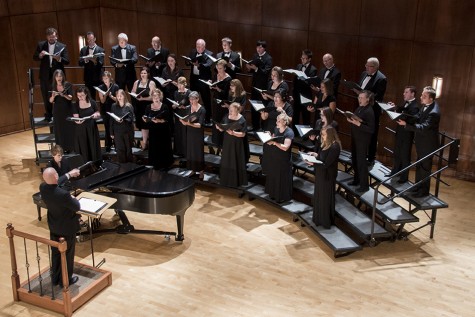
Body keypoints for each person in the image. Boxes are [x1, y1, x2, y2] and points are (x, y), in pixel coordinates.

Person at [39, 167, 80, 287]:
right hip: (67, 228)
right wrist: (73, 198)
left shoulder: (43, 187)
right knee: (68, 254)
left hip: (54, 226)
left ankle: (55, 278)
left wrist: (69, 174)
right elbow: (77, 207)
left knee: (56, 253)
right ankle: (65, 280)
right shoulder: (64, 195)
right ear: (56, 176)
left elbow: (54, 182)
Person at [397, 86, 440, 197]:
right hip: (422, 143)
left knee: (425, 168)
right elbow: (417, 117)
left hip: (428, 144)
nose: (421, 97)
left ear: (431, 99)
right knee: (419, 165)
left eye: (424, 96)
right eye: (422, 95)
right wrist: (405, 117)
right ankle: (417, 187)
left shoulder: (434, 112)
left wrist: (407, 125)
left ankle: (423, 191)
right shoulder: (425, 106)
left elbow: (423, 127)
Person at [305, 126, 341, 228]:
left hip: (327, 176)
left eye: (324, 134)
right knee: (319, 196)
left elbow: (326, 164)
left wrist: (312, 163)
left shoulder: (335, 147)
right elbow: (321, 157)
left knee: (325, 198)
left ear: (330, 135)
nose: (322, 136)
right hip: (321, 173)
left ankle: (325, 221)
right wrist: (314, 154)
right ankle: (318, 219)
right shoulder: (324, 143)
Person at [33, 27, 70, 122]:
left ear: (56, 36)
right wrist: (40, 55)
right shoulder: (41, 45)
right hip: (45, 75)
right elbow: (35, 57)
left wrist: (59, 59)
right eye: (50, 37)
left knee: (60, 94)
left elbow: (67, 61)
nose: (51, 39)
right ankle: (49, 114)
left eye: (53, 37)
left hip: (58, 76)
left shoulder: (62, 46)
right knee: (46, 95)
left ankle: (62, 114)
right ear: (47, 37)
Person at [386, 86, 420, 183]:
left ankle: (404, 177)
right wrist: (394, 107)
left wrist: (398, 113)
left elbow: (411, 119)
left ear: (412, 94)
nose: (403, 94)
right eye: (404, 92)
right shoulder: (405, 103)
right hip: (400, 132)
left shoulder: (415, 106)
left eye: (406, 92)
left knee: (405, 156)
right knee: (397, 153)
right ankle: (395, 172)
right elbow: (401, 109)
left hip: (407, 135)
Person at [357, 57, 387, 165]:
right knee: (359, 130)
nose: (366, 67)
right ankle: (360, 154)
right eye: (366, 65)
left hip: (372, 111)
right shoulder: (363, 74)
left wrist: (365, 97)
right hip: (360, 108)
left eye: (369, 66)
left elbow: (378, 97)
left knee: (372, 134)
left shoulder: (381, 79)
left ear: (375, 67)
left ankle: (370, 158)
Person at [347, 90, 375, 193]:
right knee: (355, 160)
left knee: (361, 162)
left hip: (362, 140)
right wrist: (351, 120)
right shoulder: (360, 108)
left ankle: (364, 186)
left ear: (367, 99)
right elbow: (358, 120)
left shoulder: (369, 111)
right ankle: (356, 180)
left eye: (362, 98)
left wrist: (358, 124)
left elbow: (371, 129)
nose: (359, 99)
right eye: (359, 97)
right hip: (356, 138)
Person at [260, 90, 294, 175]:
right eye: (274, 96)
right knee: (267, 150)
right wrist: (262, 114)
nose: (275, 98)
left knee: (276, 150)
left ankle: (276, 171)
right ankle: (267, 170)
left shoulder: (288, 106)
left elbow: (289, 121)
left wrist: (283, 111)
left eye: (278, 97)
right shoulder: (271, 104)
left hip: (281, 132)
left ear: (283, 98)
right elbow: (265, 118)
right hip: (269, 129)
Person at [264, 113, 294, 203]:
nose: (276, 122)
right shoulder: (276, 129)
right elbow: (273, 138)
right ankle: (273, 194)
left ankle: (281, 197)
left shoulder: (289, 132)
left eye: (279, 121)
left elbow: (285, 147)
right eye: (277, 120)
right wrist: (269, 137)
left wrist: (275, 143)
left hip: (283, 160)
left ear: (284, 122)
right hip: (275, 157)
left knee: (281, 178)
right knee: (274, 175)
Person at [217, 102, 248, 187]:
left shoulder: (242, 120)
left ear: (237, 111)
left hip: (236, 143)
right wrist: (219, 127)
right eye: (229, 109)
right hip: (227, 142)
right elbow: (222, 128)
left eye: (232, 110)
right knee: (227, 159)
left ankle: (236, 181)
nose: (230, 111)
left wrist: (233, 133)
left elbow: (243, 134)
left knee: (235, 159)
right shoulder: (226, 116)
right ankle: (225, 179)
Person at [144, 89, 174, 170]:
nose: (156, 98)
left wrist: (159, 121)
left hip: (163, 131)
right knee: (154, 147)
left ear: (160, 97)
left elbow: (168, 119)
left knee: (163, 147)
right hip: (153, 131)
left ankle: (164, 165)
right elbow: (146, 117)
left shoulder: (164, 106)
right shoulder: (148, 107)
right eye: (154, 96)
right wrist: (145, 119)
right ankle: (155, 164)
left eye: (157, 96)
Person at [247, 40, 272, 130]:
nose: (258, 49)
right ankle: (255, 126)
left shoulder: (268, 58)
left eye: (260, 47)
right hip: (254, 85)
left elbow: (266, 72)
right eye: (257, 47)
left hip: (263, 86)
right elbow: (252, 70)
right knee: (254, 105)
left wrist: (257, 68)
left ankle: (263, 127)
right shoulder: (255, 56)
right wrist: (249, 68)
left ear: (264, 48)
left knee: (262, 106)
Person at [180, 91, 206, 178]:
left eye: (193, 99)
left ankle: (201, 171)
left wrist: (188, 124)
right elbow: (187, 119)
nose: (191, 101)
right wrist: (183, 121)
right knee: (191, 151)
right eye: (190, 99)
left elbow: (199, 125)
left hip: (197, 133)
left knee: (198, 152)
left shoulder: (202, 110)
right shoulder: (188, 108)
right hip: (190, 132)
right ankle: (193, 170)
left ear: (197, 99)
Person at [186, 39, 213, 122]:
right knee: (193, 99)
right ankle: (194, 118)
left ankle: (208, 119)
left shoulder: (209, 54)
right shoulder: (193, 52)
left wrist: (199, 65)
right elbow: (187, 62)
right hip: (194, 80)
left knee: (206, 100)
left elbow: (208, 65)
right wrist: (189, 62)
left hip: (203, 80)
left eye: (201, 47)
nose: (199, 48)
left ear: (204, 46)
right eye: (197, 46)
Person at [72, 86, 102, 162]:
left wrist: (96, 115)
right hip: (81, 129)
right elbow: (76, 117)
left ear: (86, 94)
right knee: (84, 146)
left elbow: (97, 112)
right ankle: (85, 163)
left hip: (91, 128)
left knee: (92, 145)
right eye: (78, 96)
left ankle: (95, 163)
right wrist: (78, 121)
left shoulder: (92, 102)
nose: (80, 97)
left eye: (82, 95)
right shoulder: (76, 104)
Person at [49, 69, 75, 153]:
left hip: (67, 109)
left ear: (63, 76)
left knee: (68, 128)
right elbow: (50, 101)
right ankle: (61, 149)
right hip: (57, 110)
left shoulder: (68, 85)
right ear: (55, 77)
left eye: (60, 76)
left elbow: (71, 97)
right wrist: (53, 96)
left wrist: (64, 95)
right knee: (59, 130)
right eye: (57, 76)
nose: (58, 78)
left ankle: (70, 148)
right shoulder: (53, 86)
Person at [131, 66, 157, 149]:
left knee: (147, 125)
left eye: (145, 73)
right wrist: (135, 95)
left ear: (148, 74)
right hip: (139, 107)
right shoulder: (136, 82)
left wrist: (143, 98)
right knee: (142, 125)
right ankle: (145, 143)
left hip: (148, 107)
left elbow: (153, 97)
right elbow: (132, 92)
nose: (143, 74)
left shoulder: (151, 83)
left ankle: (148, 143)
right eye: (142, 73)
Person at [210, 59, 232, 150]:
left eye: (220, 68)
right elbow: (212, 90)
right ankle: (215, 140)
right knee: (215, 119)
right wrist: (211, 86)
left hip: (223, 102)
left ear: (225, 68)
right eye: (217, 68)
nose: (219, 70)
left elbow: (226, 93)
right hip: (215, 101)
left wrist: (218, 89)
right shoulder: (215, 75)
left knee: (222, 120)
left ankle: (222, 142)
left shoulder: (228, 79)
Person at [292, 49, 318, 126]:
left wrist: (303, 78)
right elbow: (294, 82)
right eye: (301, 58)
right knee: (295, 115)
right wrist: (293, 94)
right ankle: (295, 134)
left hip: (306, 96)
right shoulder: (298, 66)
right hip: (296, 95)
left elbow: (311, 82)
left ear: (309, 59)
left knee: (305, 115)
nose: (302, 60)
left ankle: (305, 136)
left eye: (304, 58)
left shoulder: (313, 69)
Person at [97, 71, 120, 152]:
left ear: (110, 78)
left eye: (106, 78)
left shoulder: (115, 86)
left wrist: (111, 96)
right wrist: (106, 95)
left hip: (114, 109)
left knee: (115, 127)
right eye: (104, 78)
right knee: (107, 128)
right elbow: (102, 101)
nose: (105, 80)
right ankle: (108, 145)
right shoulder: (100, 87)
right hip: (105, 110)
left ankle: (117, 144)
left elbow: (117, 99)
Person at [110, 89, 135, 163]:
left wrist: (123, 120)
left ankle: (129, 166)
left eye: (121, 96)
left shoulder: (128, 106)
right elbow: (111, 120)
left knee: (128, 149)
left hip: (127, 131)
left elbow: (131, 119)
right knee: (120, 149)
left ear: (124, 96)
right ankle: (122, 167)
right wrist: (111, 132)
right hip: (117, 131)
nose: (119, 97)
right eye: (117, 96)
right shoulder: (114, 106)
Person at [78, 31, 104, 98]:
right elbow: (80, 63)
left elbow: (101, 63)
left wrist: (94, 61)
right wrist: (86, 60)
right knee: (90, 97)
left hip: (98, 77)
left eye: (91, 39)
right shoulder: (83, 50)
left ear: (94, 39)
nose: (90, 41)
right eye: (88, 39)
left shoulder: (101, 50)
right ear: (87, 39)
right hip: (88, 78)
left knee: (102, 97)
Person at [172, 77, 191, 157]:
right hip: (178, 114)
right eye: (178, 85)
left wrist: (185, 107)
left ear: (184, 84)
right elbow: (174, 104)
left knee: (185, 132)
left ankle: (185, 151)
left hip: (185, 114)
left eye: (181, 85)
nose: (179, 87)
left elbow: (192, 104)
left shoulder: (189, 92)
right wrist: (174, 106)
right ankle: (178, 151)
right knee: (178, 132)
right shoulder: (176, 92)